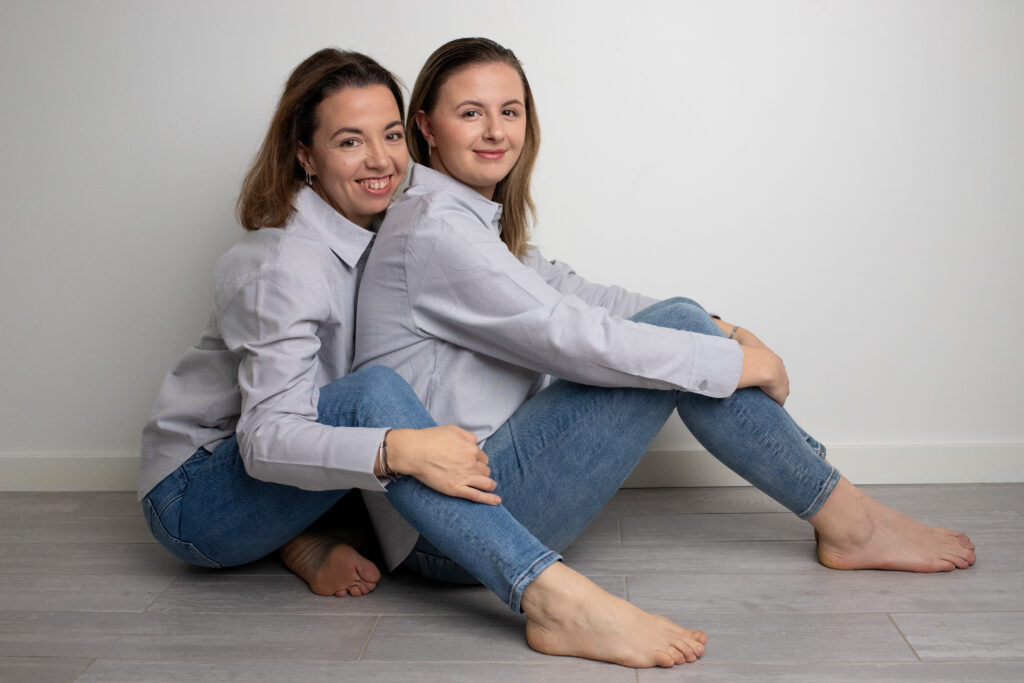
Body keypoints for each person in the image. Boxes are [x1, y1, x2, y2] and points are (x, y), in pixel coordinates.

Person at [353, 37, 977, 667]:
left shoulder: (462, 221)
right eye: (471, 113)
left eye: (510, 112)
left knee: (680, 323)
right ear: (426, 126)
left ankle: (845, 515)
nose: (495, 131)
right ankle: (850, 521)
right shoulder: (435, 229)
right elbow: (567, 337)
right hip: (454, 529)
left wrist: (722, 329)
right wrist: (733, 361)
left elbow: (579, 294)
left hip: (484, 497)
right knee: (674, 336)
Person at [138, 48, 505, 599]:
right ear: (305, 156)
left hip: (306, 461)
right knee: (376, 399)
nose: (381, 161)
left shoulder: (392, 233)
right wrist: (404, 449)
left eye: (391, 135)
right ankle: (542, 590)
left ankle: (313, 534)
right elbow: (265, 440)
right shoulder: (281, 265)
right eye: (350, 141)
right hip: (199, 492)